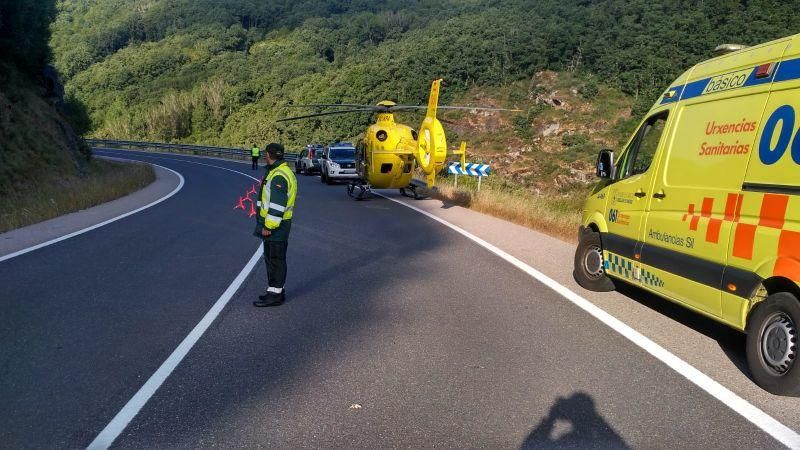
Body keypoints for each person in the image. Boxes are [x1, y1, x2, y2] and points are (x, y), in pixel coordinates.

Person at [253, 143, 297, 307]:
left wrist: (268, 226)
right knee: (273, 259)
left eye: (266, 154)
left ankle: (275, 295)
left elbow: (277, 205)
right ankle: (274, 290)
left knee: (275, 259)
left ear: (268, 155)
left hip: (276, 226)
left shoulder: (278, 175)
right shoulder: (282, 171)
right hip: (279, 224)